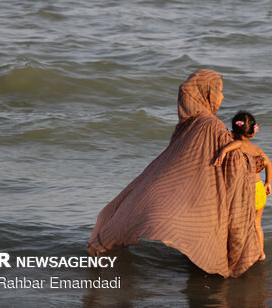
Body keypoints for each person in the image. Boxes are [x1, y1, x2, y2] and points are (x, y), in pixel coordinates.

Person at [87, 70, 261, 278]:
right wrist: (255, 162)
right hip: (205, 200)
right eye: (219, 91)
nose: (222, 97)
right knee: (208, 262)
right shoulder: (211, 125)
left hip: (192, 196)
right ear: (206, 93)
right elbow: (234, 159)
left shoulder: (189, 124)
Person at [214, 111, 272, 261]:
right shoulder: (257, 149)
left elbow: (233, 146)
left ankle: (242, 251)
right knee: (257, 224)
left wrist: (222, 152)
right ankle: (261, 252)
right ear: (253, 133)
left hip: (250, 192)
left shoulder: (239, 145)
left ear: (233, 133)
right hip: (260, 189)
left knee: (245, 223)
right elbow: (269, 163)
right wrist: (268, 183)